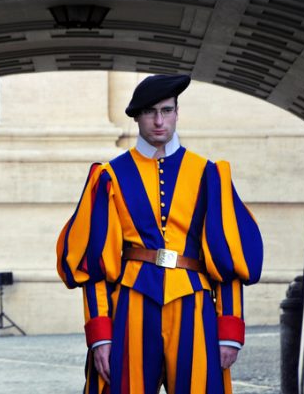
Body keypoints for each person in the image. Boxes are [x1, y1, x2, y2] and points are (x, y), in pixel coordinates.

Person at [56, 74, 263, 394]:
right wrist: (100, 334)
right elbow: (94, 260)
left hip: (194, 301)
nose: (158, 120)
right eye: (150, 112)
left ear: (177, 113)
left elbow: (228, 256)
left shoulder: (208, 173)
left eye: (166, 111)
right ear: (137, 116)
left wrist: (230, 329)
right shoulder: (110, 176)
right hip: (132, 301)